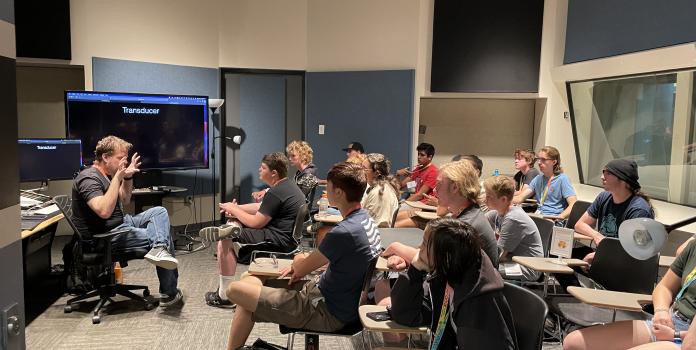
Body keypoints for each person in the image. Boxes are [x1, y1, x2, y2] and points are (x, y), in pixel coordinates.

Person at [223, 162, 380, 350]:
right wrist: (303, 262)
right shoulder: (365, 220)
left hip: (324, 311)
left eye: (328, 187)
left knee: (235, 290)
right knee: (248, 281)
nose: (325, 191)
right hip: (327, 296)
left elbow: (301, 267)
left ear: (339, 192)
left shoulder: (343, 232)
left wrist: (300, 260)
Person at [71, 135, 182, 306]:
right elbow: (104, 211)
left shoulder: (107, 174)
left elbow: (125, 199)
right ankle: (169, 293)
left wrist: (127, 178)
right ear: (105, 157)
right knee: (163, 233)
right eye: (120, 158)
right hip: (105, 238)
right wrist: (117, 178)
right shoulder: (89, 178)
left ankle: (159, 248)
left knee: (159, 212)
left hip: (121, 224)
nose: (124, 162)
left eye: (125, 158)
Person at [389, 218, 517, 349]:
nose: (420, 248)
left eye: (425, 243)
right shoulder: (449, 275)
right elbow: (405, 315)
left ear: (446, 256)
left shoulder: (478, 304)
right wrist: (415, 269)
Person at [198, 152, 305, 307]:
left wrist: (234, 210)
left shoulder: (276, 192)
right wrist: (236, 208)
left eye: (263, 168)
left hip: (276, 241)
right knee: (234, 221)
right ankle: (231, 227)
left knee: (225, 240)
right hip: (284, 237)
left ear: (273, 173)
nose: (259, 170)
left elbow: (256, 223)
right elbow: (260, 207)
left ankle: (224, 297)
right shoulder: (286, 186)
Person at [563, 238, 696, 350]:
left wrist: (676, 335)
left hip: (687, 335)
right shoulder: (693, 246)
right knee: (574, 343)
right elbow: (665, 287)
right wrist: (661, 311)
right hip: (673, 322)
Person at [574, 159, 654, 265]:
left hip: (624, 263)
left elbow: (633, 249)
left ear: (623, 179)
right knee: (560, 255)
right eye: (603, 173)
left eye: (608, 173)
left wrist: (598, 255)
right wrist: (596, 235)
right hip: (605, 255)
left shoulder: (638, 210)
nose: (602, 177)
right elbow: (579, 224)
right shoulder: (604, 197)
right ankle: (573, 283)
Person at [484, 175, 543, 282]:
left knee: (484, 271)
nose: (485, 200)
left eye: (489, 197)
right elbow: (479, 226)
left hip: (527, 268)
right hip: (511, 261)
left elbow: (498, 257)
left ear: (503, 199)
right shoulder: (497, 213)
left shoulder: (513, 218)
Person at [514, 146, 578, 225]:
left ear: (554, 162)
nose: (539, 162)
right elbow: (520, 197)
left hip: (554, 220)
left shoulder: (562, 179)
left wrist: (559, 217)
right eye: (538, 159)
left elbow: (574, 204)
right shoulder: (538, 179)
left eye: (543, 160)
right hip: (539, 217)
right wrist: (502, 200)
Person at [252, 141, 317, 202]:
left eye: (293, 156)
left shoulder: (308, 174)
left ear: (303, 156)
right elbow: (290, 190)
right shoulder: (299, 173)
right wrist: (267, 191)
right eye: (289, 156)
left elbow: (298, 197)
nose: (290, 158)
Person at [361, 153, 400, 228]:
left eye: (364, 169)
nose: (361, 171)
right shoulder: (382, 187)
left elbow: (380, 225)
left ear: (376, 173)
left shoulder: (380, 193)